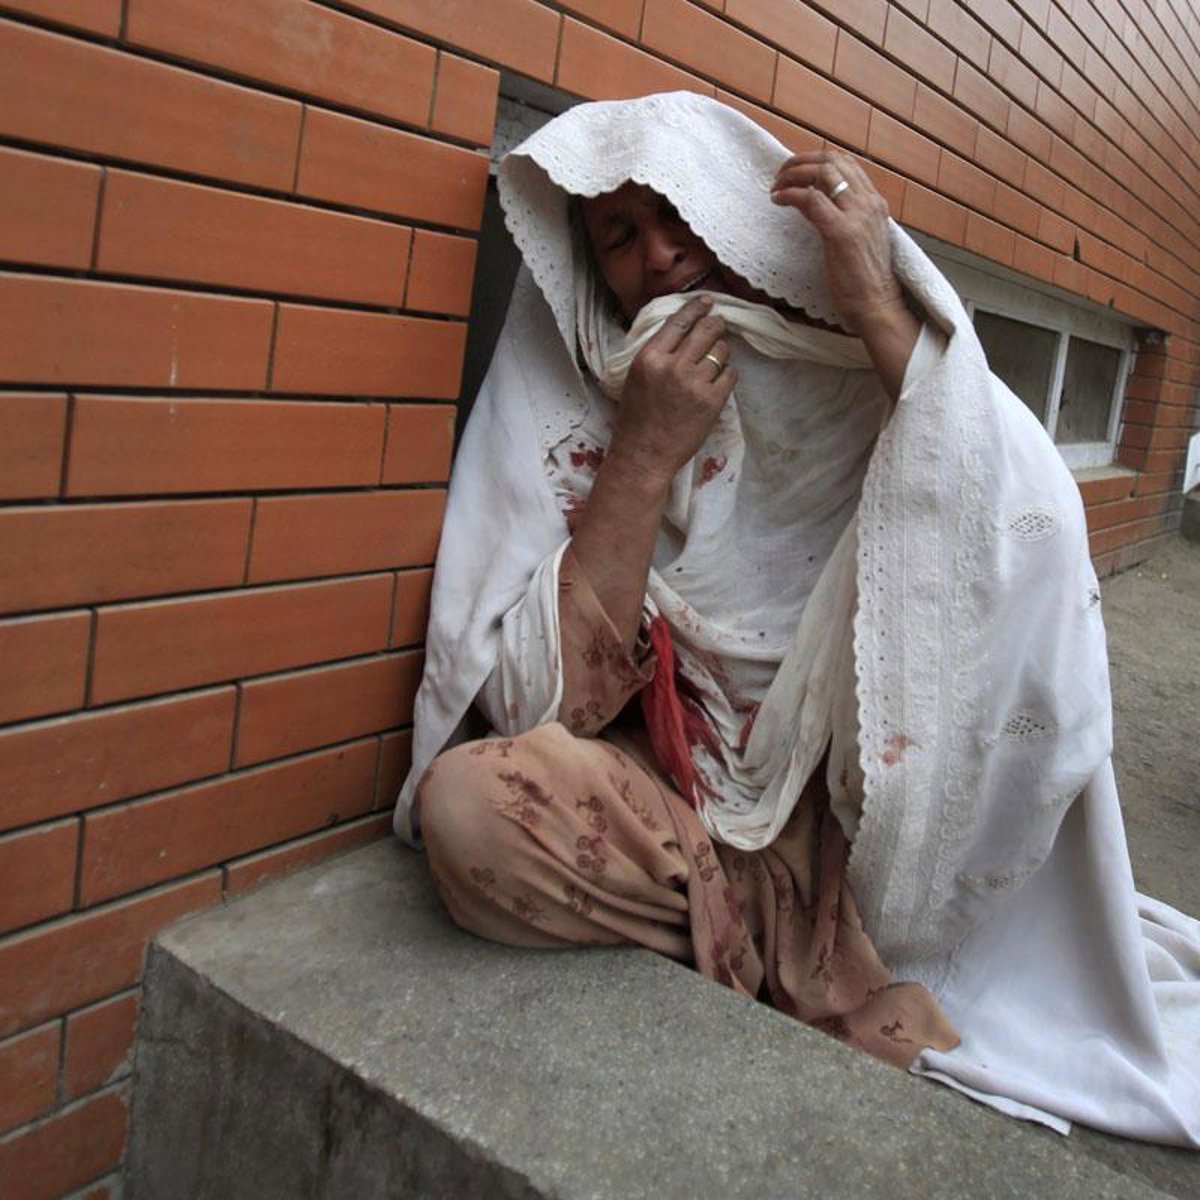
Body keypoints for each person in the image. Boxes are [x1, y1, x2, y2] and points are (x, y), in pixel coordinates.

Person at [395, 92, 1200, 1144]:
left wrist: (876, 307)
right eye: (620, 237)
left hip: (852, 828)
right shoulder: (589, 391)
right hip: (670, 797)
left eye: (678, 213)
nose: (662, 255)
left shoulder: (870, 368)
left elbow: (1029, 543)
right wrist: (644, 453)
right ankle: (777, 951)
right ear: (590, 270)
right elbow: (546, 708)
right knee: (471, 812)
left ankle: (785, 941)